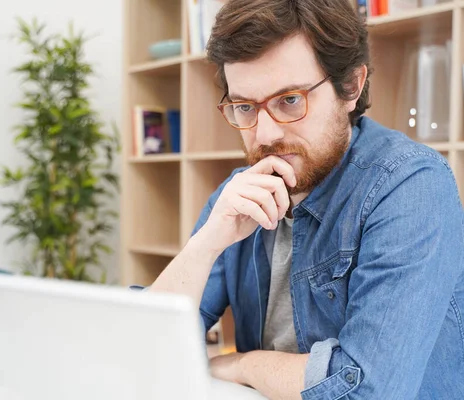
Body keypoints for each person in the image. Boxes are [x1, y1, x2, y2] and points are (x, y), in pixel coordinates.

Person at [141, 0, 464, 399]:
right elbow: (143, 350)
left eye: (289, 100)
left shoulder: (410, 185)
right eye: (245, 107)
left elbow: (369, 390)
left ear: (351, 86)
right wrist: (206, 244)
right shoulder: (241, 192)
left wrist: (241, 364)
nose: (264, 135)